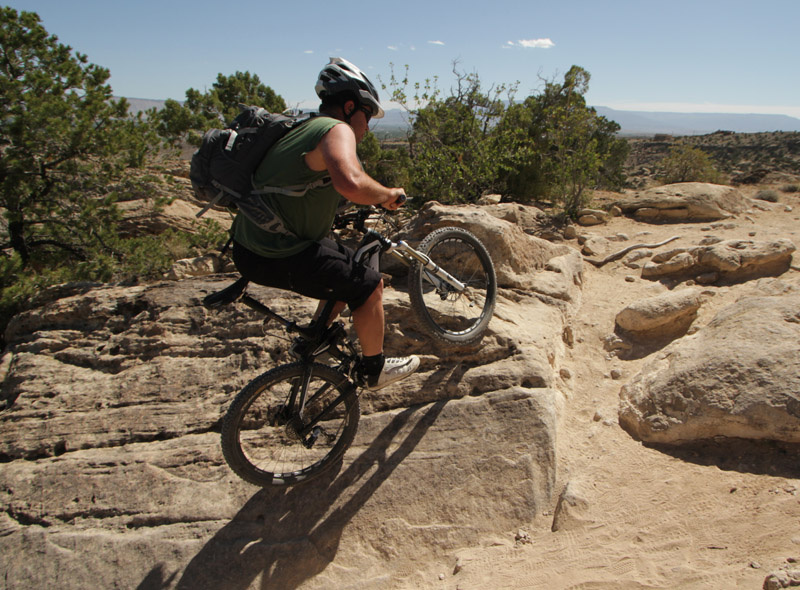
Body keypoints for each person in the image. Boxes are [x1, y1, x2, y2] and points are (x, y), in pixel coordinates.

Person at [231, 57, 419, 391]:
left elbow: (301, 189)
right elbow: (349, 181)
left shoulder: (301, 129)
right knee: (369, 285)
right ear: (349, 107)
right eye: (366, 116)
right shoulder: (336, 130)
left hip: (251, 247)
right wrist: (386, 194)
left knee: (346, 262)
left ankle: (312, 341)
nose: (367, 127)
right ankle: (373, 370)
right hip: (279, 253)